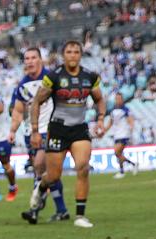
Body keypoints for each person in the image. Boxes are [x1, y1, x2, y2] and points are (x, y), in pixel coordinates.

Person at [25, 40, 106, 228]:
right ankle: (41, 186)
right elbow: (36, 102)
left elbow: (99, 99)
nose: (73, 55)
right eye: (69, 52)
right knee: (53, 175)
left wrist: (101, 118)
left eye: (76, 51)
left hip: (79, 128)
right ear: (64, 55)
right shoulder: (54, 77)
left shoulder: (90, 76)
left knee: (83, 168)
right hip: (58, 129)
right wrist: (35, 131)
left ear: (80, 55)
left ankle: (80, 216)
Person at [9, 47, 69, 223]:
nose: (29, 61)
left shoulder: (52, 78)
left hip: (50, 130)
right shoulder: (22, 85)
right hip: (30, 133)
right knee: (48, 172)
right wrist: (12, 130)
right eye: (26, 58)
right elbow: (18, 111)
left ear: (40, 59)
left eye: (33, 57)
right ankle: (62, 210)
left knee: (39, 166)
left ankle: (34, 209)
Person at [105, 93, 138, 179]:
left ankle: (125, 169)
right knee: (119, 153)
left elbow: (130, 120)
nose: (118, 100)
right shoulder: (113, 110)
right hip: (116, 134)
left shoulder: (125, 109)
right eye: (116, 99)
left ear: (122, 99)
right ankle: (129, 167)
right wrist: (104, 131)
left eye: (119, 98)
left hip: (124, 134)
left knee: (117, 152)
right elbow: (110, 123)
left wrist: (131, 130)